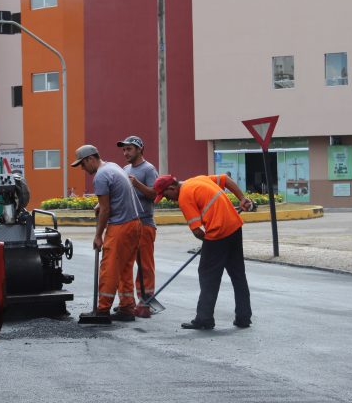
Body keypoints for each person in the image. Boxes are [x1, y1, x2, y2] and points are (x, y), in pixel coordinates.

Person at [153, 173, 254, 330]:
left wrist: (210, 245)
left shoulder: (184, 197)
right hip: (234, 227)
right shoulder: (197, 179)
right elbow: (226, 180)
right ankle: (244, 318)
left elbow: (198, 232)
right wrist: (242, 198)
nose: (168, 199)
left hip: (218, 233)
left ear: (172, 188)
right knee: (238, 274)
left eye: (166, 195)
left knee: (207, 275)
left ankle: (204, 319)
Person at [72, 144, 142, 322]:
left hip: (120, 227)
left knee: (109, 268)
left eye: (82, 164)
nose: (82, 168)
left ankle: (102, 310)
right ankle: (127, 307)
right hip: (134, 224)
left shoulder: (101, 176)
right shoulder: (113, 167)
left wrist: (98, 236)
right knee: (125, 267)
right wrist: (101, 205)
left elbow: (105, 210)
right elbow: (117, 195)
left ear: (90, 159)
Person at [117, 135, 158, 318]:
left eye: (129, 149)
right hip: (128, 223)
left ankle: (145, 303)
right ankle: (127, 302)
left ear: (140, 149)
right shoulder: (125, 169)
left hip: (145, 223)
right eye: (124, 149)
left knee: (145, 266)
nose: (125, 153)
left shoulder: (149, 169)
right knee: (125, 264)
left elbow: (155, 195)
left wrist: (137, 184)